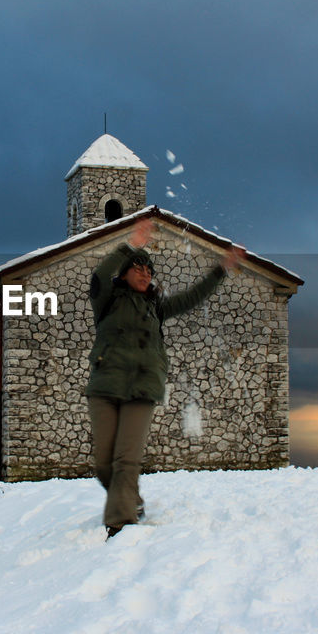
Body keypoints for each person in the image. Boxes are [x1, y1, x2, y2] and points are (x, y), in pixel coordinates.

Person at [85, 217, 245, 539]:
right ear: (125, 273)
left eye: (149, 271)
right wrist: (131, 245)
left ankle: (120, 526)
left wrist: (221, 269)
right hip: (105, 387)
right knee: (104, 465)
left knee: (125, 460)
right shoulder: (107, 301)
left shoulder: (156, 307)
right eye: (138, 269)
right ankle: (132, 501)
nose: (145, 275)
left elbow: (192, 297)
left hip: (143, 387)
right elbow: (100, 275)